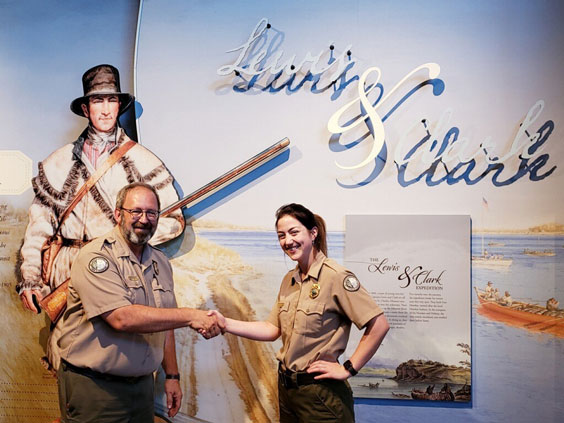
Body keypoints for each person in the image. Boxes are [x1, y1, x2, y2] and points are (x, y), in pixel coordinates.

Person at [17, 64, 185, 371]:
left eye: (111, 101)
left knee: (120, 352)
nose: (106, 110)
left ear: (120, 105)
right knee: (64, 352)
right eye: (98, 101)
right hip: (67, 269)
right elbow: (38, 227)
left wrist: (123, 240)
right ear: (85, 107)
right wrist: (30, 278)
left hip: (120, 268)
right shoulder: (58, 161)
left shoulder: (143, 160)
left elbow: (171, 220)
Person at [209, 203, 389, 423]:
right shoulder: (290, 279)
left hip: (320, 394)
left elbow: (379, 324)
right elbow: (272, 328)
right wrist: (224, 322)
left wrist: (348, 369)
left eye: (294, 232)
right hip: (287, 389)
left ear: (313, 233)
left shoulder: (336, 277)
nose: (288, 241)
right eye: (281, 235)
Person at [56, 182, 221, 422]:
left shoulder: (160, 262)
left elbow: (165, 325)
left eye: (151, 213)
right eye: (136, 211)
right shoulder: (97, 257)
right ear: (118, 214)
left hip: (142, 390)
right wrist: (191, 315)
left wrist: (172, 376)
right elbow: (121, 318)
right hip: (96, 389)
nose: (144, 219)